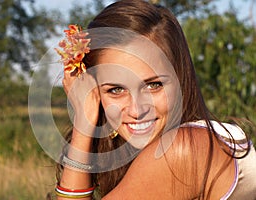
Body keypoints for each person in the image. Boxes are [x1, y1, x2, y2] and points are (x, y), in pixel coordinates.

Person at [55, 0, 256, 199]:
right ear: (94, 93)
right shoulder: (204, 138)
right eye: (116, 90)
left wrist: (83, 125)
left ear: (179, 77)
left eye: (153, 85)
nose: (137, 109)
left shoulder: (183, 150)